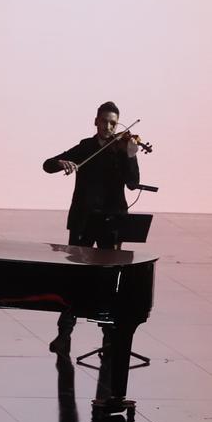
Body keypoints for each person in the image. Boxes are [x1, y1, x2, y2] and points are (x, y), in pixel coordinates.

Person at [43, 101, 141, 352]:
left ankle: (109, 339)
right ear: (95, 121)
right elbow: (48, 164)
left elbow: (132, 184)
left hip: (111, 223)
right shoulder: (86, 147)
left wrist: (131, 155)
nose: (108, 127)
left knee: (110, 281)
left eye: (113, 123)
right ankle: (63, 335)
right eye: (104, 121)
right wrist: (61, 163)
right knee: (74, 278)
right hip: (84, 220)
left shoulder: (122, 150)